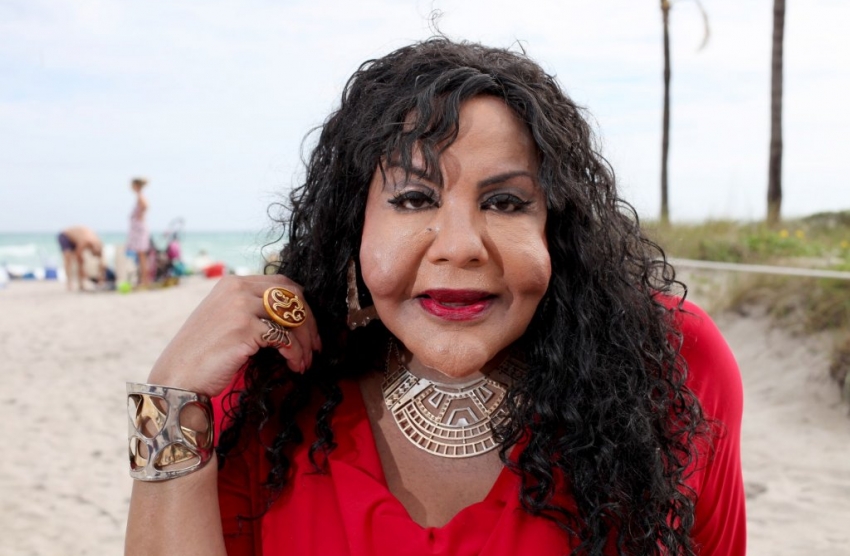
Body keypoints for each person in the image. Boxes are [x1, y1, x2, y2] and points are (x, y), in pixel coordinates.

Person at [125, 38, 746, 555]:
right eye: (414, 198)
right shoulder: (267, 379)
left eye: (506, 202)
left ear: (556, 230)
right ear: (354, 227)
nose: (460, 247)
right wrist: (168, 396)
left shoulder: (668, 361)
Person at [57, 225, 105, 291]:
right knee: (69, 258)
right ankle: (69, 282)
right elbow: (78, 257)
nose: (93, 255)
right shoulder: (86, 241)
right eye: (93, 254)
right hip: (65, 235)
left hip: (77, 239)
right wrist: (83, 271)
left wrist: (100, 276)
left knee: (81, 262)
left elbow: (102, 263)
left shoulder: (99, 244)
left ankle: (81, 284)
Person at [126, 177, 151, 288]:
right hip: (138, 228)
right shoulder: (139, 196)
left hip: (139, 229)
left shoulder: (140, 196)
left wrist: (140, 215)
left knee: (141, 255)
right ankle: (143, 279)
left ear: (136, 186)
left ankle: (145, 280)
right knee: (140, 255)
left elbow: (145, 206)